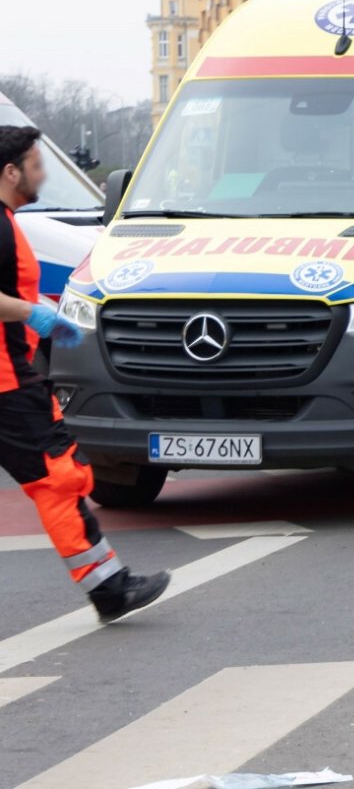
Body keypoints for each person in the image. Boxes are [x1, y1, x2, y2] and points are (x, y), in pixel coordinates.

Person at [0, 126, 171, 622]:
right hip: (9, 385)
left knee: (61, 477)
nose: (42, 174)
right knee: (59, 479)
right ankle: (109, 589)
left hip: (13, 379)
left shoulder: (8, 223)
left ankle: (109, 586)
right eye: (36, 165)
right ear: (11, 172)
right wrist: (33, 314)